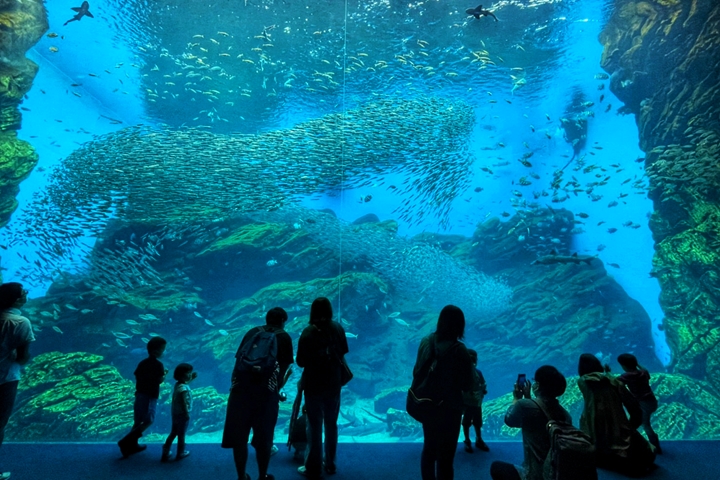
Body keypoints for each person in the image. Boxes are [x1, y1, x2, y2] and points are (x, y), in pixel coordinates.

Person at [222, 307, 294, 480]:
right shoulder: (283, 337)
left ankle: (241, 476)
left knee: (239, 438)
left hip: (240, 392)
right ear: (283, 321)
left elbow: (238, 363)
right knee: (264, 438)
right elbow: (281, 372)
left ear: (266, 318)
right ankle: (262, 476)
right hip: (265, 395)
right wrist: (277, 391)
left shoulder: (252, 332)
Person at [412, 305, 473, 480]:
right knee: (446, 457)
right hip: (450, 409)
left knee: (429, 448)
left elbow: (416, 372)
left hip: (427, 404)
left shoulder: (426, 341)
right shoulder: (459, 349)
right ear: (460, 325)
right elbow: (467, 383)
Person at [296, 297, 349, 479]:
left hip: (313, 384)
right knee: (331, 424)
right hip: (333, 383)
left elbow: (300, 361)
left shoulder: (308, 332)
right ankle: (331, 464)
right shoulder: (338, 328)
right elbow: (342, 353)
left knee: (314, 425)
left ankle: (313, 466)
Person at [577, 353, 655, 476]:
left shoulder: (582, 382)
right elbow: (631, 403)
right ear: (598, 365)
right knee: (635, 448)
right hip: (617, 420)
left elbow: (596, 381)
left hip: (593, 421)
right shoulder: (615, 382)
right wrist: (633, 423)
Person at [489, 365, 571, 480]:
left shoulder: (523, 406)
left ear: (537, 385)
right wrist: (528, 397)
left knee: (496, 467)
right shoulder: (565, 414)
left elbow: (509, 420)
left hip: (535, 474)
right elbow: (539, 412)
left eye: (535, 381)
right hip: (557, 472)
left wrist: (517, 399)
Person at [0, 283, 34, 480]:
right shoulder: (20, 322)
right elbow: (23, 357)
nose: (26, 294)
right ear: (17, 300)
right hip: (5, 378)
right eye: (24, 292)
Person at [118, 336, 168, 457]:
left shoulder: (142, 363)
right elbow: (159, 380)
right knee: (149, 420)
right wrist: (164, 374)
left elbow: (137, 376)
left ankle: (131, 445)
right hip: (150, 396)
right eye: (162, 349)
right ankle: (126, 441)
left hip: (139, 394)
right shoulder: (158, 365)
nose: (164, 352)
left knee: (137, 421)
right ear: (156, 351)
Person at [617, 353, 661, 454]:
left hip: (643, 404)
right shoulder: (643, 372)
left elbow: (614, 382)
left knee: (645, 425)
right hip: (652, 402)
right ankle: (635, 441)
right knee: (638, 422)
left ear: (623, 366)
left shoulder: (627, 376)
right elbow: (645, 370)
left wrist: (607, 372)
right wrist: (637, 364)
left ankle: (654, 446)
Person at [162, 363, 197, 461]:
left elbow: (184, 384)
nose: (189, 374)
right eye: (187, 373)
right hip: (182, 414)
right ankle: (181, 452)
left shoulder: (178, 385)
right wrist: (186, 413)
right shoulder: (184, 389)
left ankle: (165, 450)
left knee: (173, 432)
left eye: (190, 372)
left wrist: (191, 379)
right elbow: (184, 402)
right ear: (181, 374)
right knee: (181, 434)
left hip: (175, 413)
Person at [461, 349, 488, 453]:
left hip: (476, 402)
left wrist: (483, 390)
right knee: (467, 422)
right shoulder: (464, 373)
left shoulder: (478, 372)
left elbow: (483, 384)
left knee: (477, 421)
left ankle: (478, 439)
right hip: (469, 401)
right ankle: (468, 440)